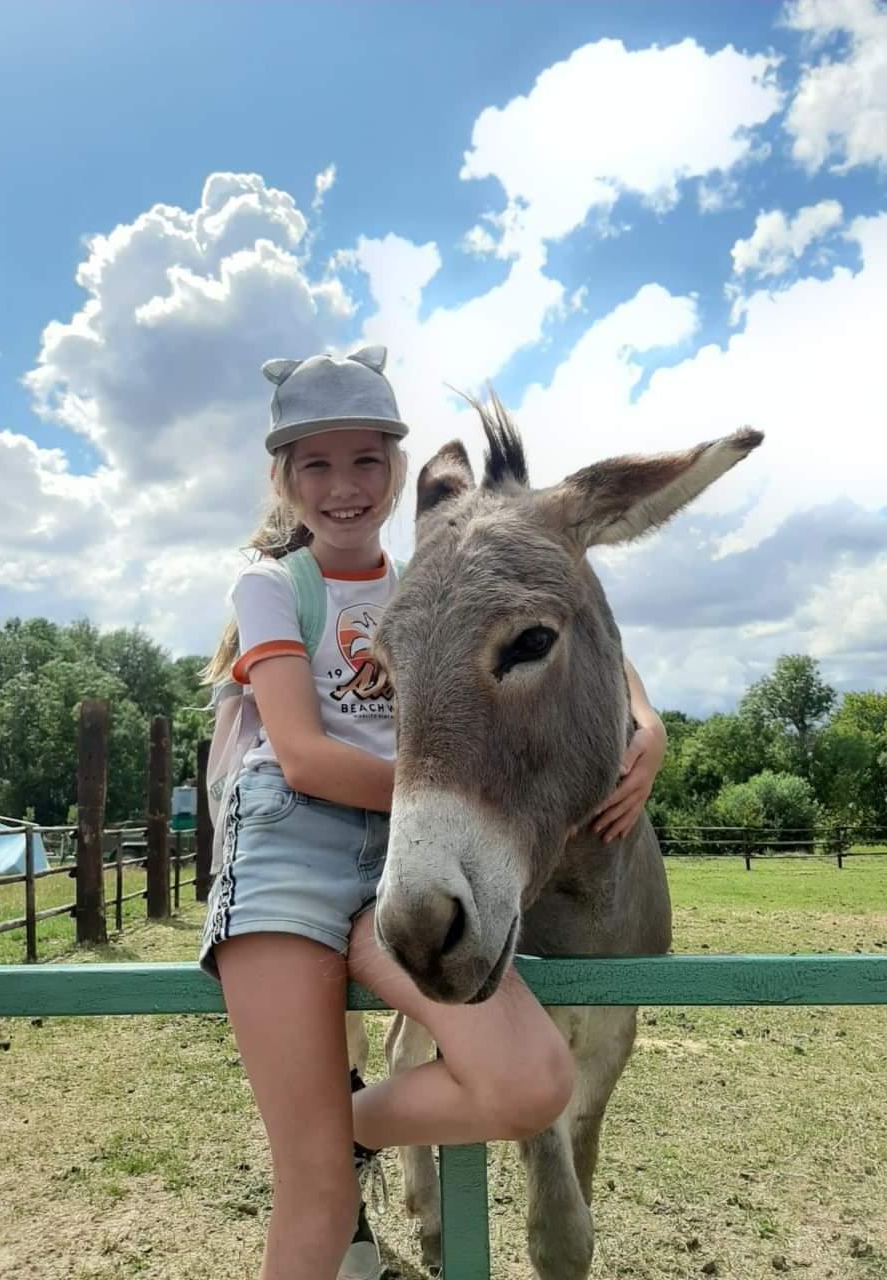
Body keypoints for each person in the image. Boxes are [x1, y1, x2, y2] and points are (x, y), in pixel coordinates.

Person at [200, 346, 665, 1280]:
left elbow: (560, 609)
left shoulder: (434, 570)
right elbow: (301, 756)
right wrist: (481, 787)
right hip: (290, 853)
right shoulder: (268, 585)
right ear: (284, 478)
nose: (343, 486)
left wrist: (643, 721)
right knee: (315, 1199)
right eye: (316, 464)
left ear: (398, 469)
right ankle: (323, 1154)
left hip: (392, 856)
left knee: (530, 1082)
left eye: (365, 460)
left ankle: (339, 1129)